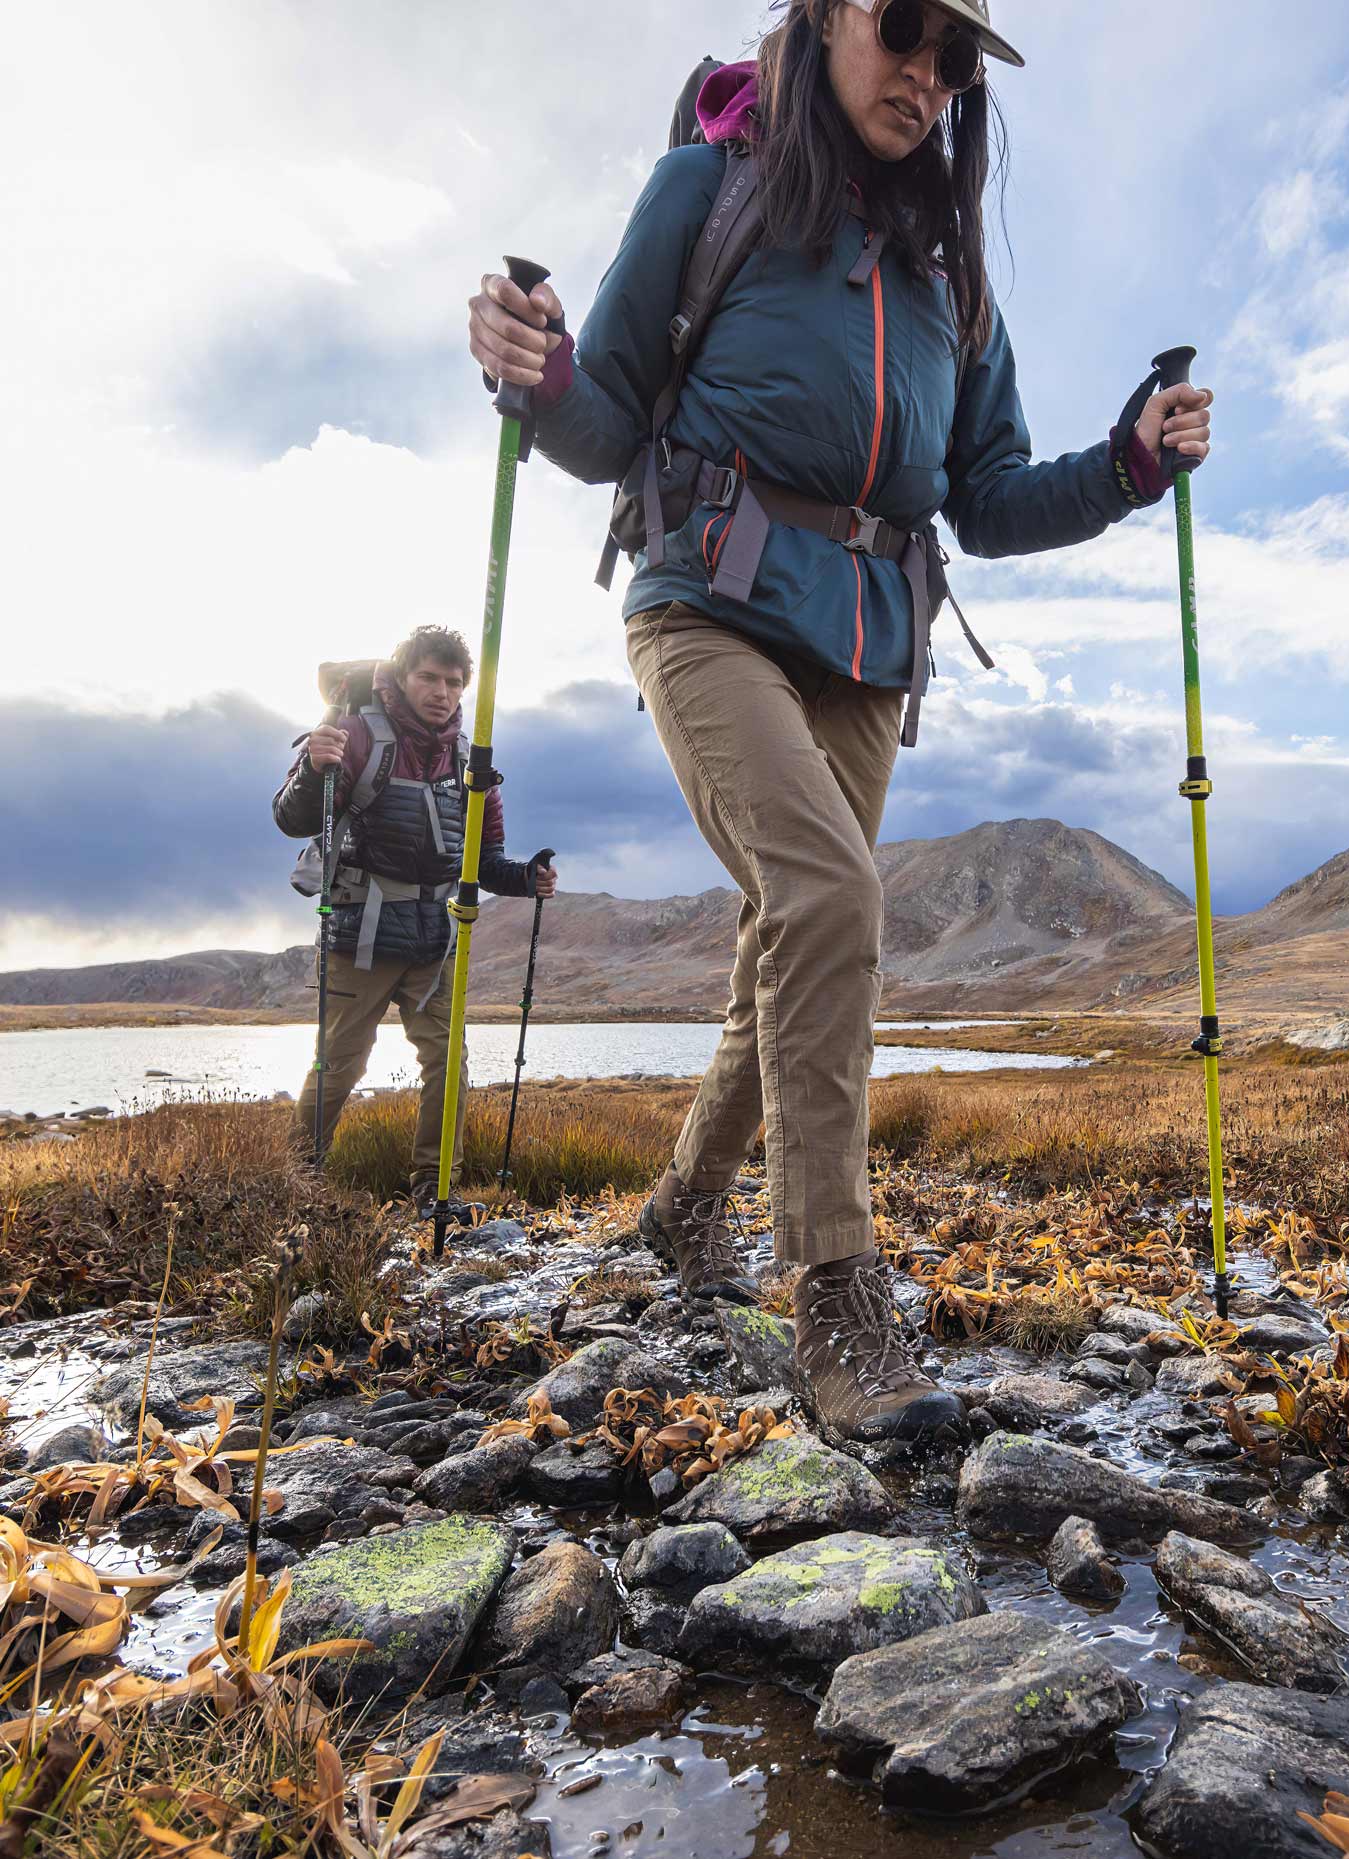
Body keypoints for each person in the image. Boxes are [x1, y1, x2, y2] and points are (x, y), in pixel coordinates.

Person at [467, 0, 1212, 1444]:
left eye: (957, 63)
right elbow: (607, 414)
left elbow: (986, 498)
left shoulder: (952, 276)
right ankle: (836, 1289)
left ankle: (683, 1206)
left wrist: (1126, 465)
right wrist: (537, 371)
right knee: (827, 892)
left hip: (871, 650)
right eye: (906, 33)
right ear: (820, 16)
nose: (928, 79)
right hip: (705, 606)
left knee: (789, 937)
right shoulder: (712, 187)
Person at [273, 624, 558, 1211]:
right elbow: (293, 819)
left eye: (454, 682)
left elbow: (484, 863)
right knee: (338, 1065)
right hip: (361, 936)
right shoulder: (353, 736)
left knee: (448, 1065)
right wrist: (312, 769)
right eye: (429, 677)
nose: (442, 692)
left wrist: (528, 879)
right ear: (401, 679)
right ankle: (295, 1184)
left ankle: (435, 1190)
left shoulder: (471, 761)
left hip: (435, 941)